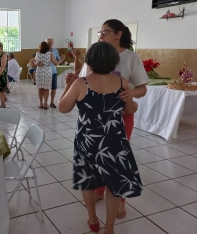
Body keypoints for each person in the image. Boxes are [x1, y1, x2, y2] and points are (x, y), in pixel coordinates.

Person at [66, 19, 149, 219]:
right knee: (95, 158)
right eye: (100, 33)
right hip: (94, 122)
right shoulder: (94, 56)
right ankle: (99, 191)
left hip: (119, 118)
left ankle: (120, 201)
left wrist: (131, 95)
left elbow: (142, 89)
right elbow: (84, 82)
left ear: (118, 34)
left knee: (116, 160)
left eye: (105, 32)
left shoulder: (130, 58)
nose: (101, 35)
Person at [58, 42, 142, 234]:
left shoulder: (82, 83)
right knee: (115, 184)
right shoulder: (122, 83)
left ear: (90, 61)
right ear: (114, 61)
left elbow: (63, 108)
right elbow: (129, 111)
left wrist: (69, 84)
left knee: (87, 180)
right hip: (115, 140)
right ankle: (109, 229)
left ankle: (93, 220)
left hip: (88, 141)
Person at [35, 42, 63, 109]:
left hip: (39, 72)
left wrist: (37, 63)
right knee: (46, 89)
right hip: (47, 72)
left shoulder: (37, 53)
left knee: (40, 88)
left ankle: (41, 103)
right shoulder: (50, 54)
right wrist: (61, 59)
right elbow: (55, 63)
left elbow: (35, 61)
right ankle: (45, 104)